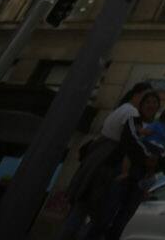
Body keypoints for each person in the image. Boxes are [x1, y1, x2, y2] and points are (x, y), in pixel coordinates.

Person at [58, 82, 155, 240]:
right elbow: (131, 140)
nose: (148, 103)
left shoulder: (121, 109)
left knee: (81, 209)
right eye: (147, 98)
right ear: (137, 94)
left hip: (97, 158)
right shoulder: (131, 113)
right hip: (105, 162)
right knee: (96, 212)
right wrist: (147, 158)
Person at [86, 89, 162, 240]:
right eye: (148, 102)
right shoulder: (134, 120)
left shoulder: (157, 128)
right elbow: (131, 141)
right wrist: (148, 156)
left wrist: (151, 170)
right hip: (123, 172)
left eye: (154, 103)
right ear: (141, 105)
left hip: (140, 178)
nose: (151, 105)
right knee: (107, 214)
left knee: (124, 218)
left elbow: (160, 151)